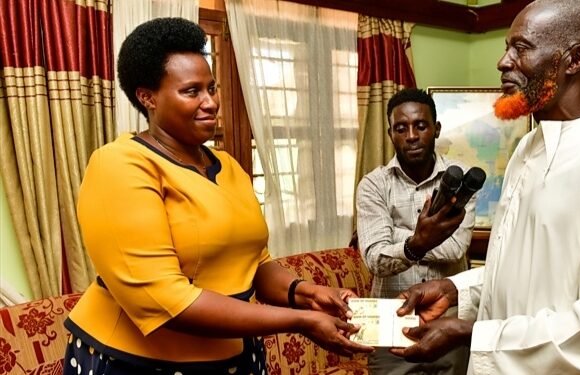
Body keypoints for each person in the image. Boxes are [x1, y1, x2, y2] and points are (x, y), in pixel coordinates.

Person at [63, 17, 372, 375]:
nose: (211, 102)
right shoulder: (119, 165)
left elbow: (254, 262)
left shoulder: (227, 166)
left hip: (233, 357)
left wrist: (308, 293)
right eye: (192, 91)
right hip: (137, 361)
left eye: (212, 87)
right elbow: (166, 299)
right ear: (147, 97)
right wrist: (299, 320)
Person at [390, 1, 580, 374]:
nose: (502, 62)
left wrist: (475, 334)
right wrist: (456, 291)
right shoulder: (528, 146)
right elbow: (518, 272)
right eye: (507, 46)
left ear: (574, 59)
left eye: (520, 48)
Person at [355, 88, 477, 374]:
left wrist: (400, 237)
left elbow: (455, 248)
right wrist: (416, 242)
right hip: (391, 328)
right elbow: (375, 259)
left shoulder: (460, 183)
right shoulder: (373, 185)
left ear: (435, 129)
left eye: (420, 125)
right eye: (401, 127)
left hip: (448, 327)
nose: (411, 135)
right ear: (390, 134)